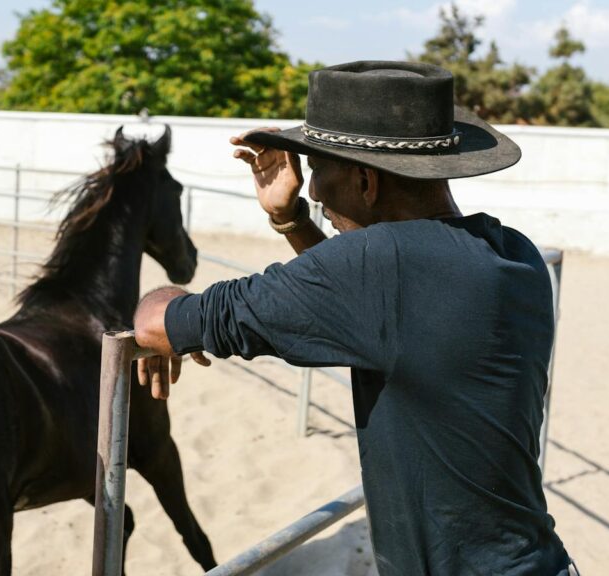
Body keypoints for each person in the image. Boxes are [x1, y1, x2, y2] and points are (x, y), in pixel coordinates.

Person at [133, 61, 575, 575]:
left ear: (366, 181)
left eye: (319, 170)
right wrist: (291, 218)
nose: (314, 191)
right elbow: (368, 300)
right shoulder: (513, 253)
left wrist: (157, 294)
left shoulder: (381, 268)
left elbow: (156, 325)